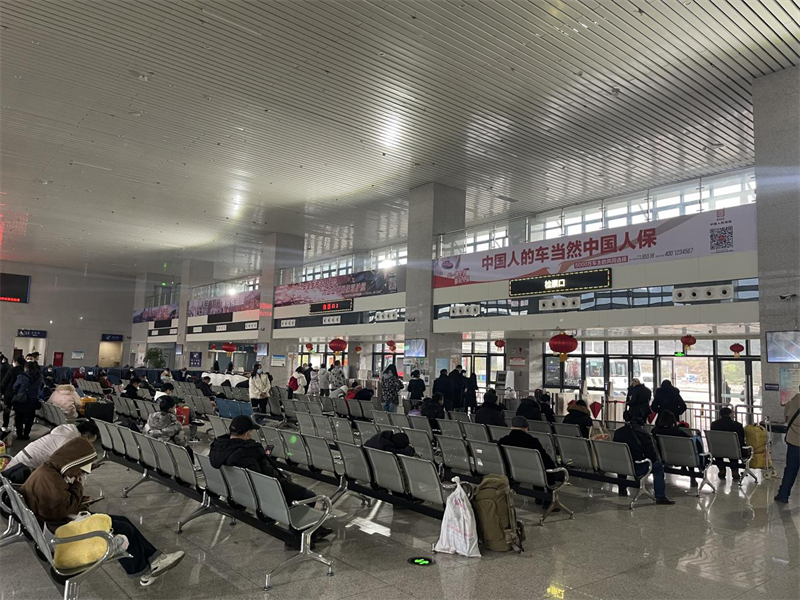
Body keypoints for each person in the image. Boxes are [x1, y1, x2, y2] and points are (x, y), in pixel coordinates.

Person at [21, 438, 185, 586]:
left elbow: (59, 505)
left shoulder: (48, 472)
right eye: (80, 469)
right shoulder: (50, 480)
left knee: (123, 521)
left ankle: (155, 560)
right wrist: (78, 486)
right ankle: (145, 570)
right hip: (61, 530)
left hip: (54, 524)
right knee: (122, 528)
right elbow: (62, 511)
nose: (80, 473)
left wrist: (77, 496)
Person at [208, 416, 330, 546]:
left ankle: (310, 530)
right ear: (247, 433)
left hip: (240, 493)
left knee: (291, 489)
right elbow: (260, 479)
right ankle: (302, 534)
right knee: (308, 496)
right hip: (267, 493)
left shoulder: (218, 447)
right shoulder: (248, 450)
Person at [2, 420, 100, 484]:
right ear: (85, 436)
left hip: (19, 465)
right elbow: (63, 467)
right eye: (90, 442)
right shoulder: (70, 440)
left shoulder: (65, 432)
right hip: (21, 472)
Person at [613, 411, 675, 505]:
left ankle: (622, 489)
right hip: (637, 468)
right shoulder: (644, 435)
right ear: (642, 426)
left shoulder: (618, 432)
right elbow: (652, 457)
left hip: (621, 466)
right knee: (658, 466)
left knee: (623, 460)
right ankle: (660, 496)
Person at [498, 416, 562, 502]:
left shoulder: (503, 441)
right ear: (526, 428)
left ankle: (539, 498)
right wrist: (554, 468)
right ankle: (547, 499)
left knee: (537, 468)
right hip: (533, 474)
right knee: (544, 469)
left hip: (513, 473)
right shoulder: (532, 441)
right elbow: (545, 459)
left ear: (512, 427)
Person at [775, 385, 800, 504]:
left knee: (790, 469)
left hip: (794, 442)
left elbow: (787, 419)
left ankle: (783, 495)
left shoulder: (791, 403)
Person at [710, 407, 748, 480]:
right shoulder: (737, 425)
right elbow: (741, 439)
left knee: (719, 448)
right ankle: (734, 471)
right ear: (730, 414)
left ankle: (722, 469)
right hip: (733, 451)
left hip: (718, 450)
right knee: (734, 448)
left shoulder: (714, 424)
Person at [11, 360, 44, 440]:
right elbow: (42, 386)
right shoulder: (40, 376)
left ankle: (19, 434)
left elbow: (15, 387)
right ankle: (26, 434)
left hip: (21, 400)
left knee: (19, 418)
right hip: (33, 400)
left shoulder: (21, 376)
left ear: (26, 368)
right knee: (30, 418)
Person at [1, 355, 26, 435]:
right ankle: (17, 428)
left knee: (6, 410)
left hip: (9, 394)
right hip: (20, 394)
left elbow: (4, 382)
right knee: (19, 412)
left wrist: (2, 392)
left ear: (15, 362)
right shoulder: (24, 371)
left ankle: (5, 426)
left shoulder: (12, 370)